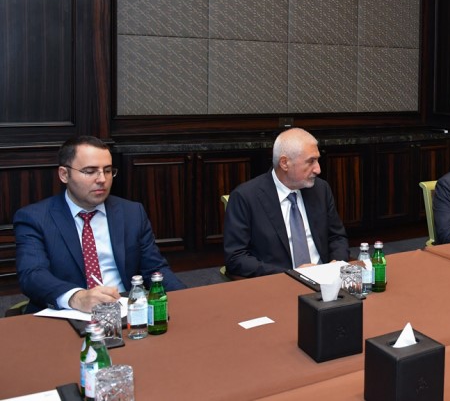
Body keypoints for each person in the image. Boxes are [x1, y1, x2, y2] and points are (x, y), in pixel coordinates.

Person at [13, 136, 185, 314]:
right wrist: (77, 297)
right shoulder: (35, 218)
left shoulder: (132, 213)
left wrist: (188, 299)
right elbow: (33, 275)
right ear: (64, 174)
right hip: (67, 312)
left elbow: (155, 269)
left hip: (125, 311)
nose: (102, 179)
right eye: (90, 171)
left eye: (108, 171)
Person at [224, 127, 349, 277]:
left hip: (326, 279)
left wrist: (336, 264)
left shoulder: (320, 189)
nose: (318, 169)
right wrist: (291, 274)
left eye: (317, 160)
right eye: (311, 161)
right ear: (284, 163)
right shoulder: (245, 197)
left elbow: (337, 237)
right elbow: (236, 258)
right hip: (278, 282)